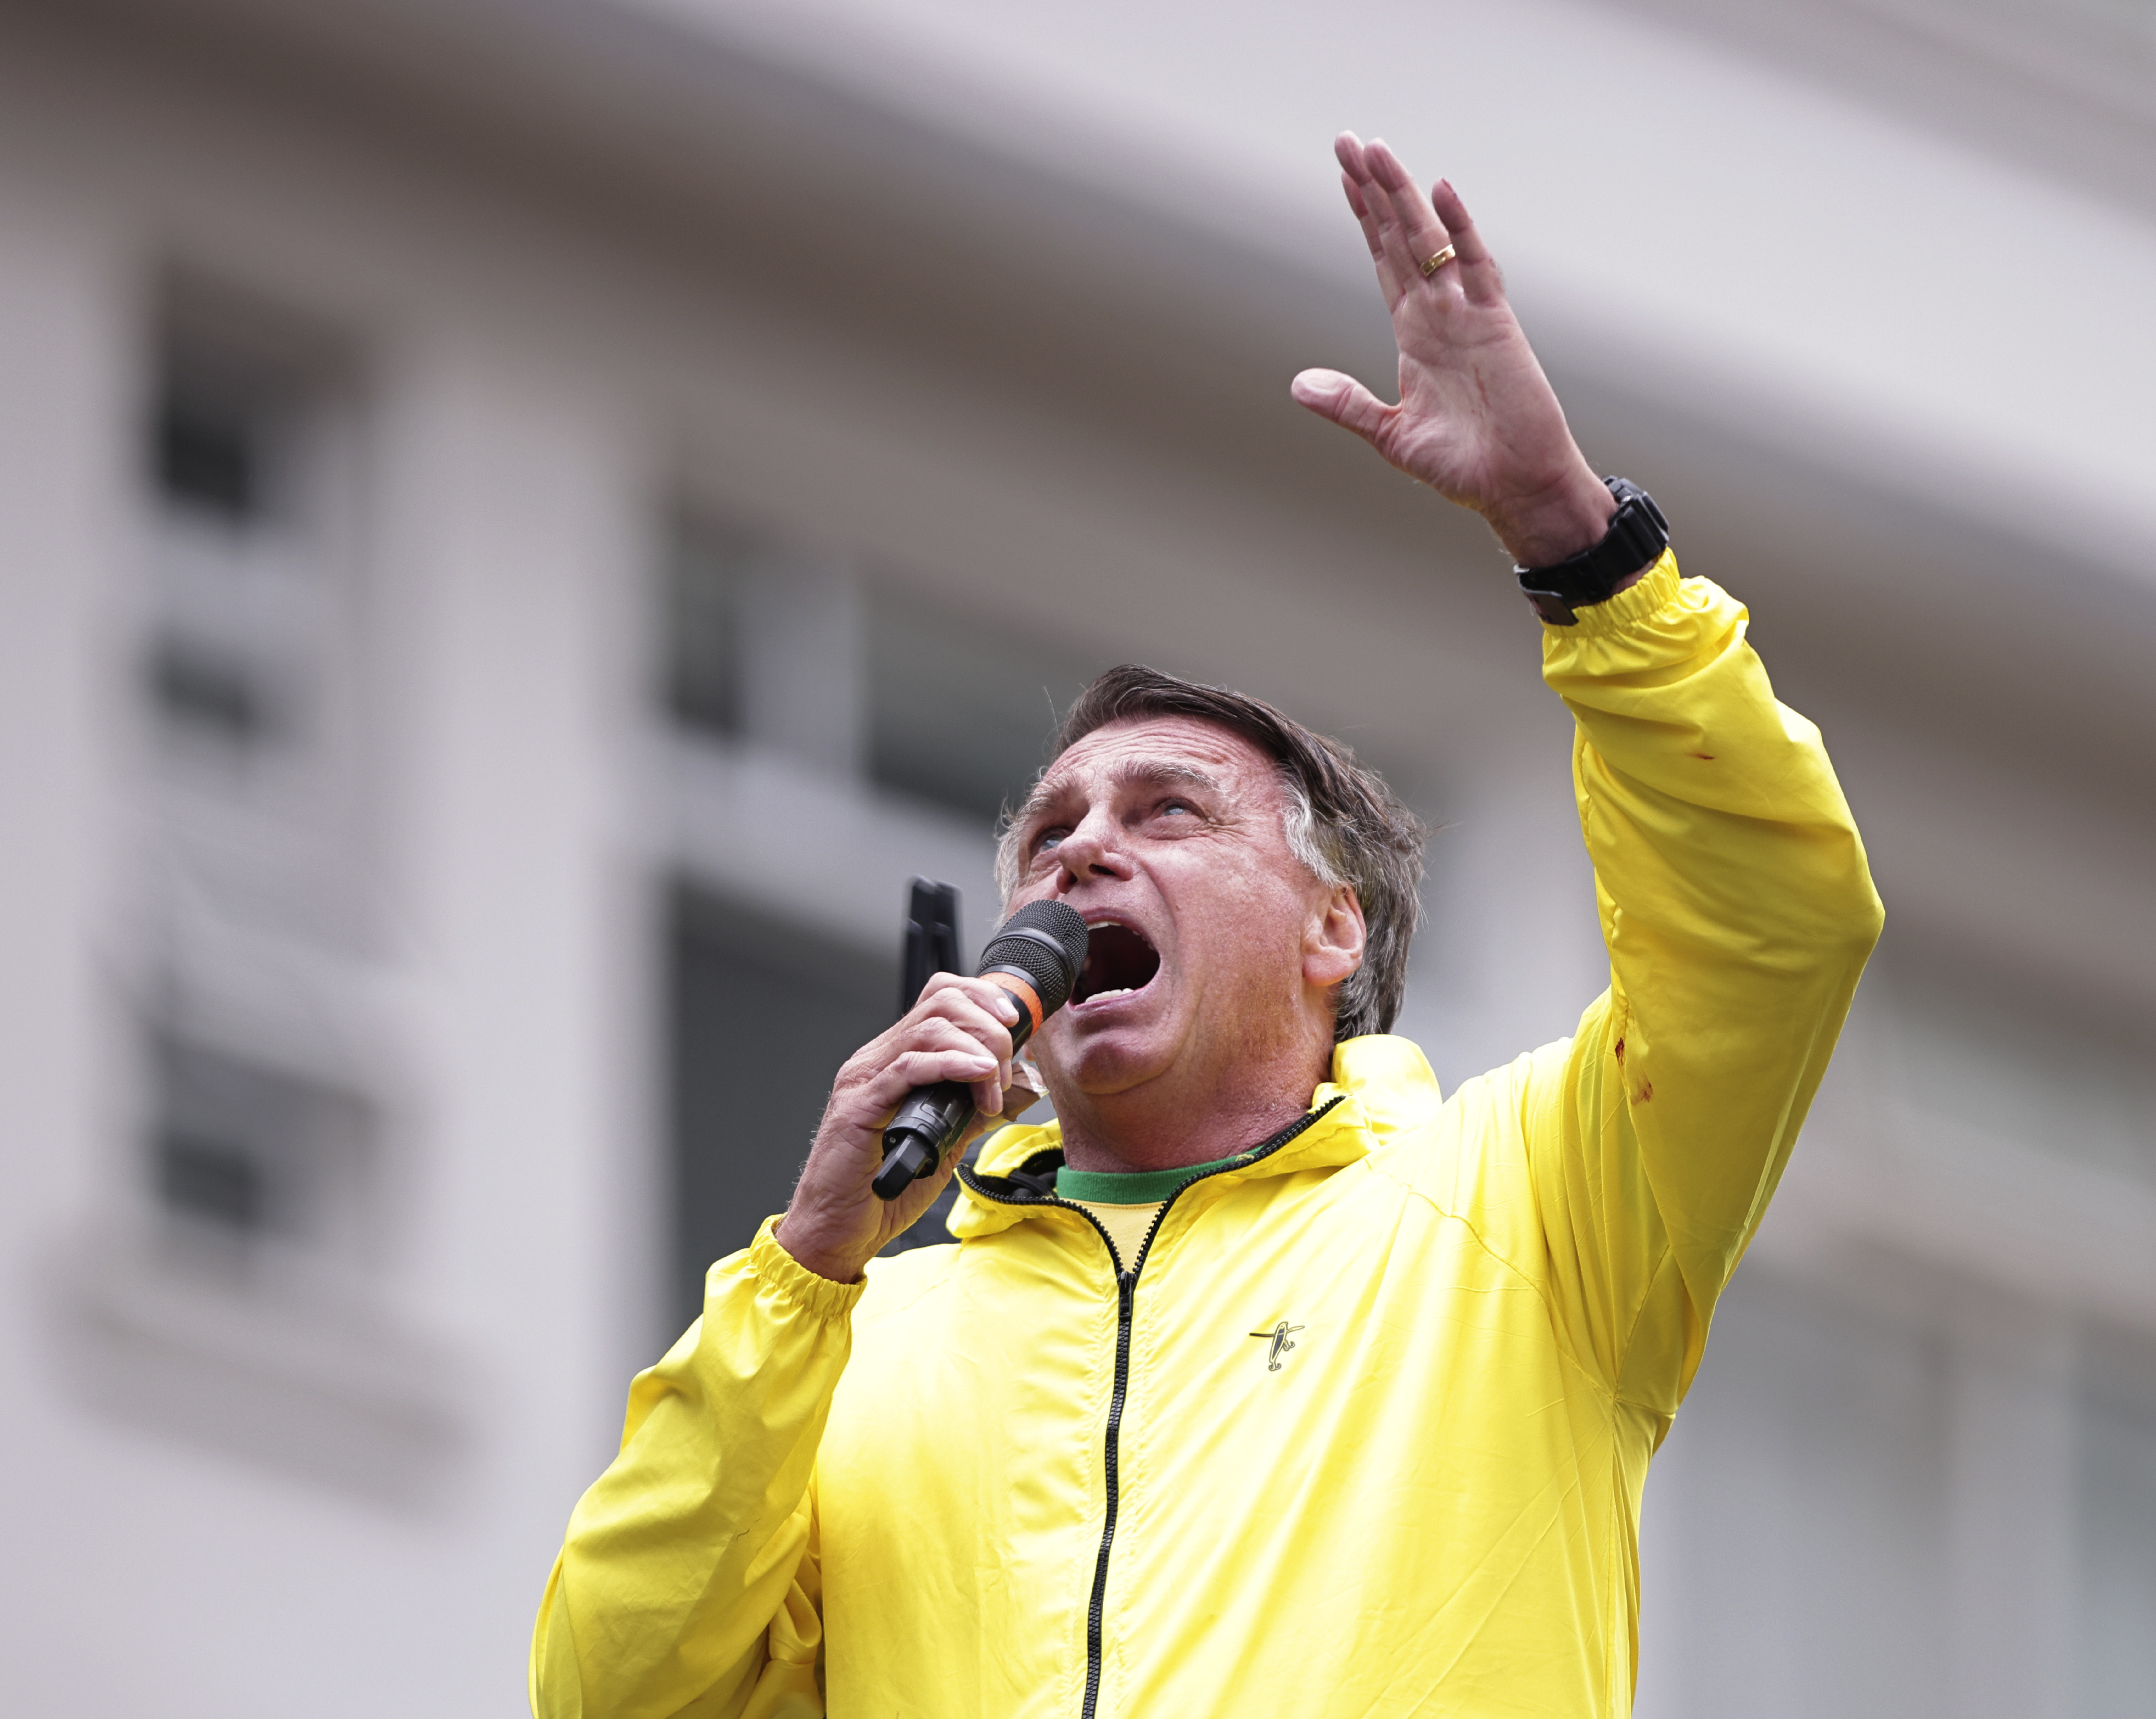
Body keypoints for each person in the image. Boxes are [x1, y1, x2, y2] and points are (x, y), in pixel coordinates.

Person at [531, 133, 1882, 1718]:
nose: (1084, 852)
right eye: (1049, 834)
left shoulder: (1525, 1215)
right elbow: (609, 1698)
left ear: (1331, 929)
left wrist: (1572, 538)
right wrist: (807, 1263)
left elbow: (1770, 920)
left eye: (1166, 813)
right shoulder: (864, 1340)